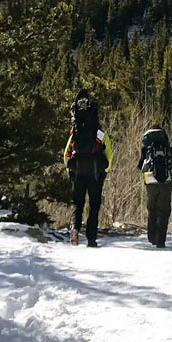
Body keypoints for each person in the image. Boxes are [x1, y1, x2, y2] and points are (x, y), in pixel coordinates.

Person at [63, 89, 112, 247]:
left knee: (78, 204)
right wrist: (106, 170)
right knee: (94, 205)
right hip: (96, 172)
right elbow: (108, 152)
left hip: (77, 172)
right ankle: (91, 239)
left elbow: (66, 154)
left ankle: (75, 228)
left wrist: (70, 170)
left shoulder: (75, 132)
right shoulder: (99, 133)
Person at [138, 124, 172, 248]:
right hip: (166, 182)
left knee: (152, 209)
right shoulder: (168, 149)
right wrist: (171, 182)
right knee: (164, 211)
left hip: (150, 181)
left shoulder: (147, 149)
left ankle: (151, 237)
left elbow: (140, 166)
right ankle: (161, 241)